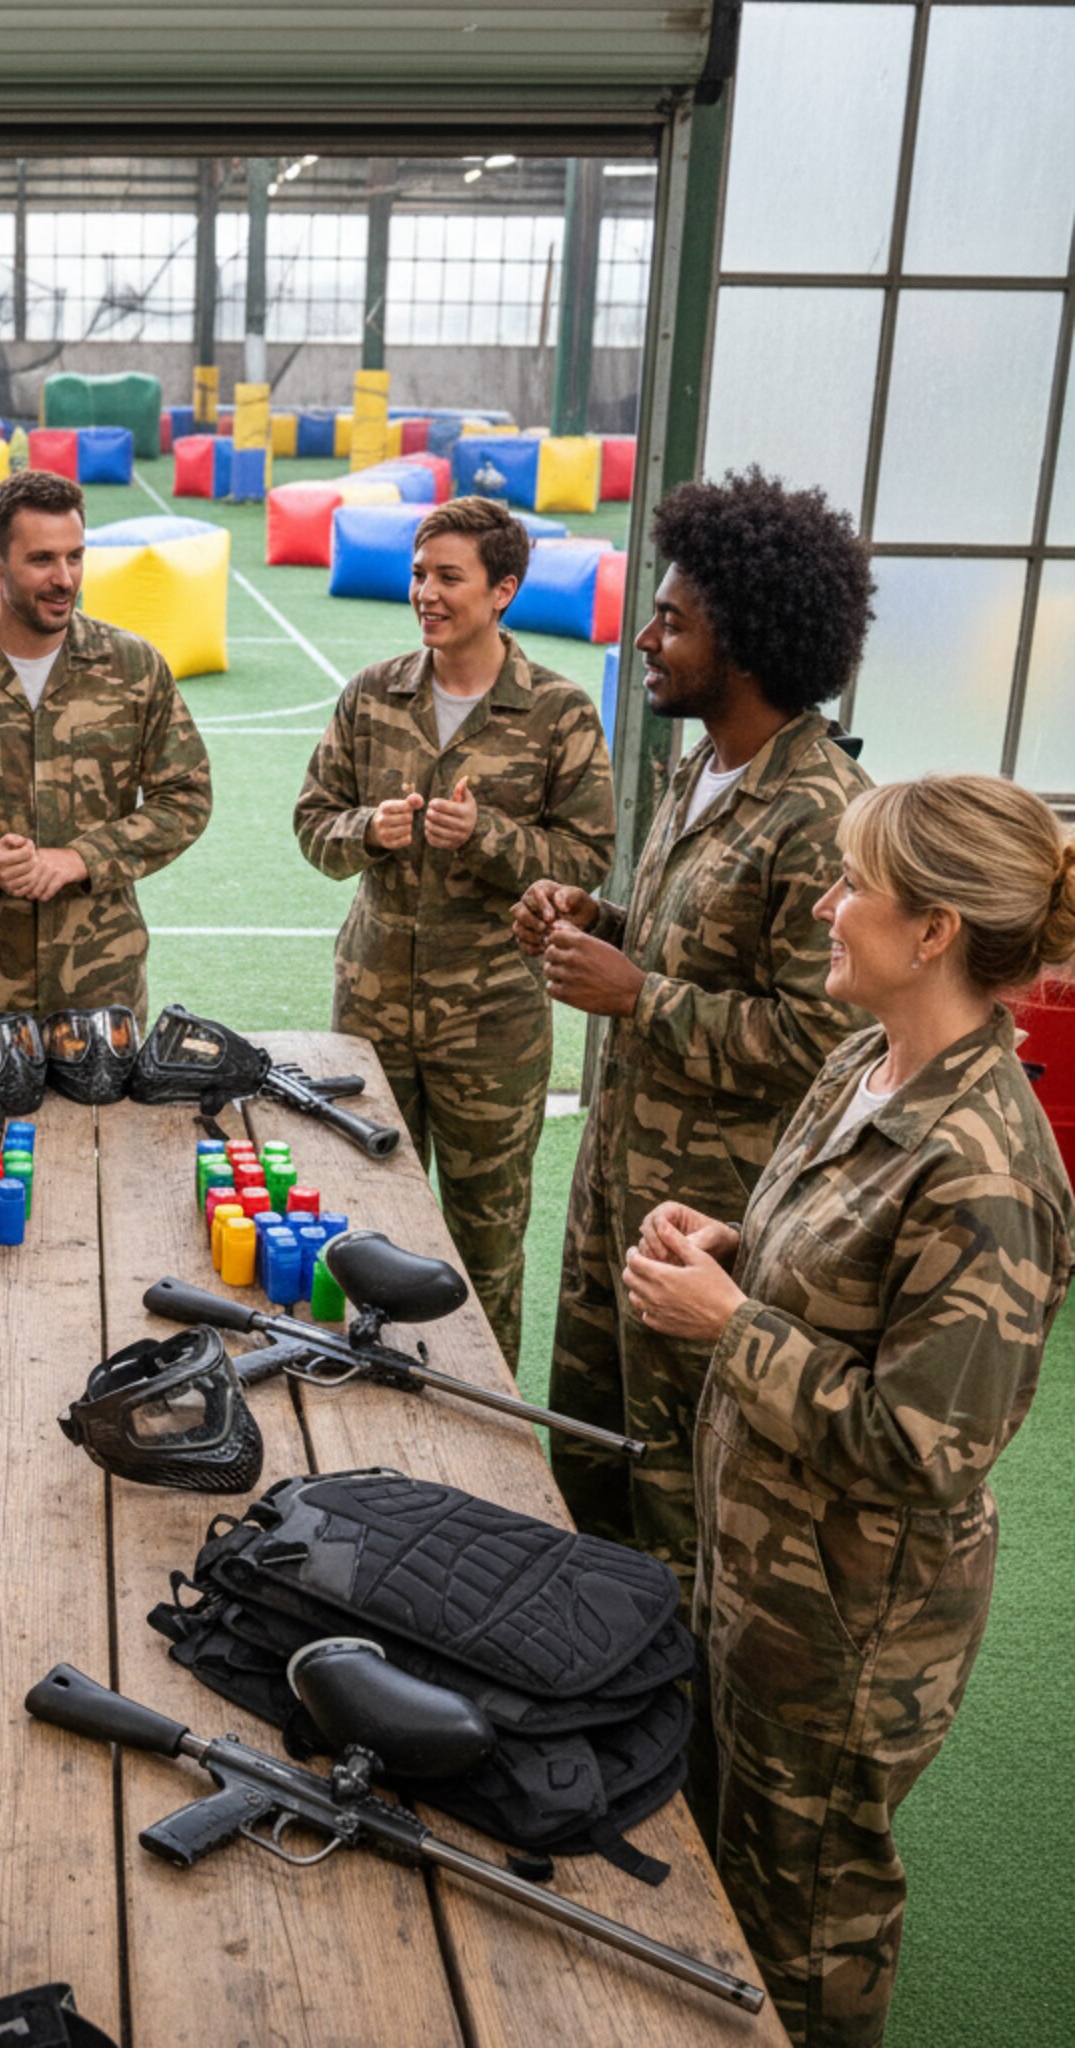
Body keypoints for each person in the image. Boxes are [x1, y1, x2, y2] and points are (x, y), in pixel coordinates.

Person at [619, 776, 1075, 2048]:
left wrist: (727, 1321)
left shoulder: (985, 1172)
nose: (824, 907)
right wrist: (732, 1242)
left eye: (851, 886)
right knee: (730, 1866)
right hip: (766, 1576)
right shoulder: (859, 1063)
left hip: (846, 1625)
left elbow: (925, 1447)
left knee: (809, 1916)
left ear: (931, 930)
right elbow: (835, 1275)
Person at [515, 468, 875, 1598]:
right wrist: (598, 920)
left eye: (672, 620)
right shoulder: (699, 768)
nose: (648, 638)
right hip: (614, 1189)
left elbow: (824, 1036)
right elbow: (691, 945)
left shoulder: (821, 809)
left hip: (703, 1222)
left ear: (751, 639)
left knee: (676, 1499)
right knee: (586, 1460)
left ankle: (659, 1739)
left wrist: (636, 996)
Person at [294, 495, 613, 1371]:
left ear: (503, 589)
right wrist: (368, 831)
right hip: (371, 1010)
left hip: (493, 1026)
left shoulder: (559, 713)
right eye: (417, 575)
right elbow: (313, 822)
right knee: (369, 1229)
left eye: (448, 578)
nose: (425, 594)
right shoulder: (373, 694)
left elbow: (588, 861)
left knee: (484, 1247)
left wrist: (492, 838)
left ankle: (486, 1421)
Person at [0, 467, 213, 1022]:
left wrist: (82, 857)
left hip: (102, 977)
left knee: (103, 1114)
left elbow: (187, 797)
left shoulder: (132, 666)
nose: (64, 578)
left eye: (74, 556)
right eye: (41, 560)